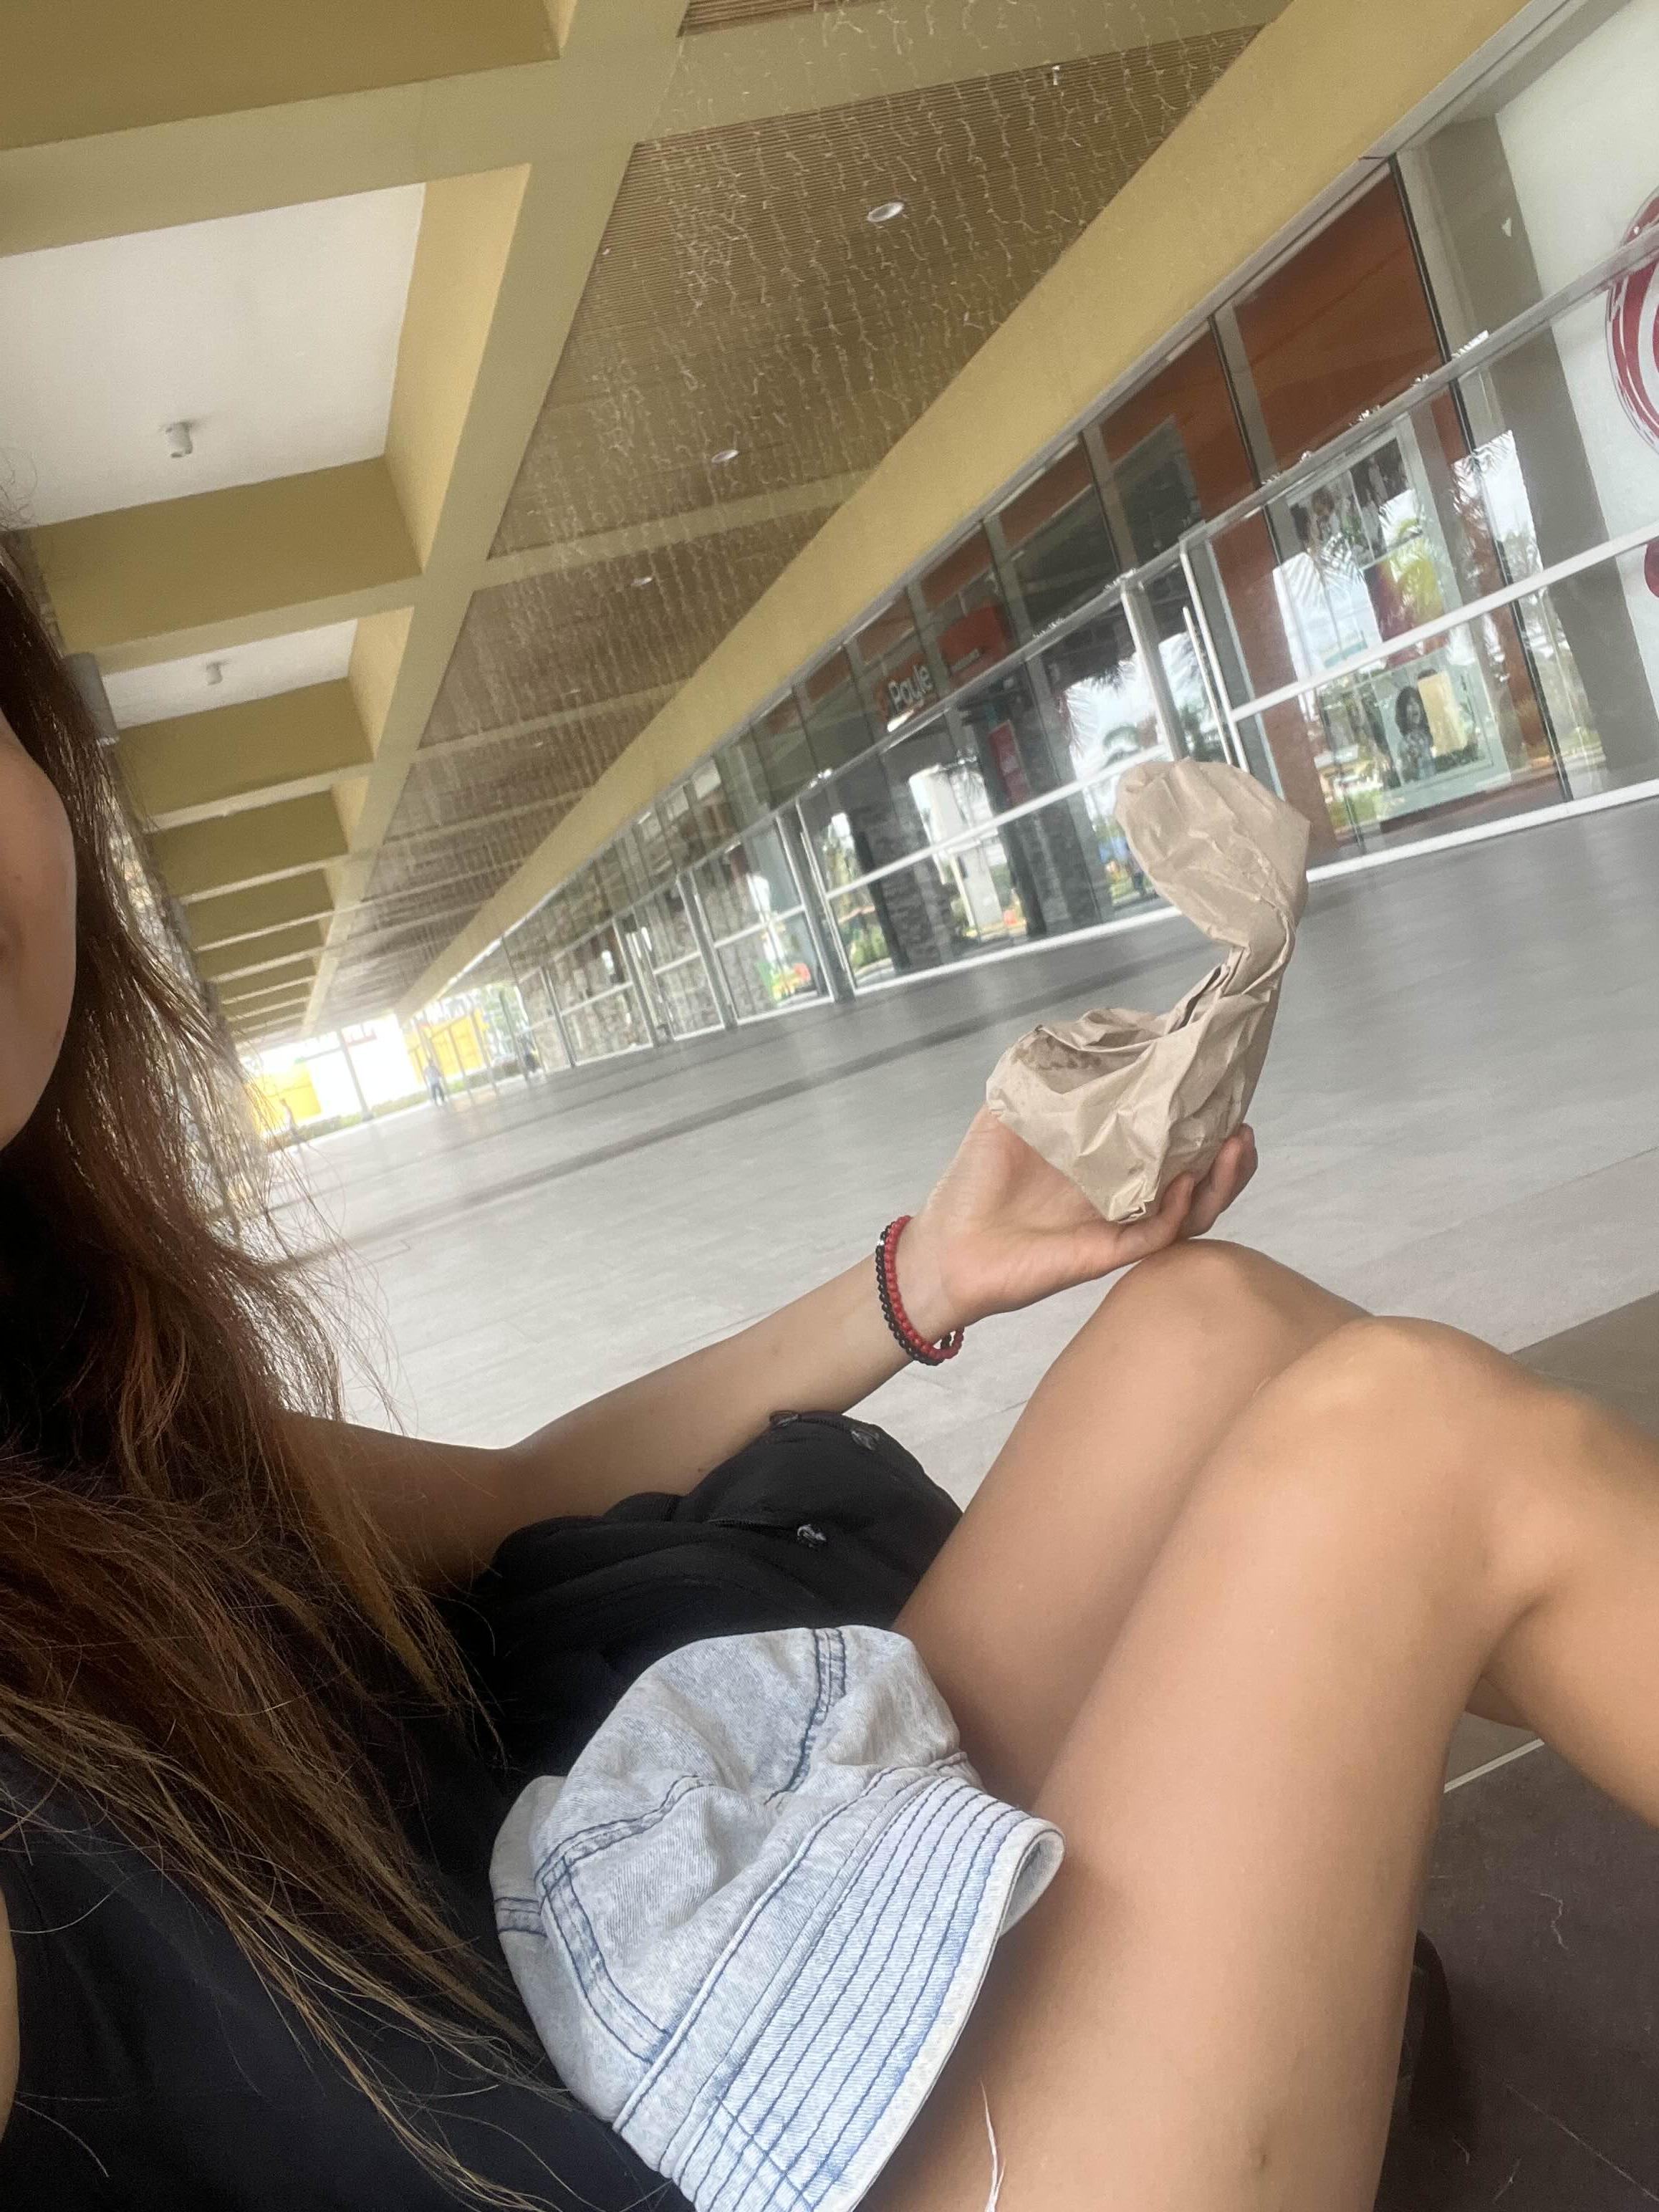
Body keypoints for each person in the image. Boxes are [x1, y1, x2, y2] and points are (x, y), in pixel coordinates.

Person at [3, 548, 1659, 2212]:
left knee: (1211, 1327)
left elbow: (515, 1497)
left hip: (673, 1985)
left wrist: (926, 1272)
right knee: (1421, 1455)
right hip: (657, 2154)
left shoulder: (70, 1391)